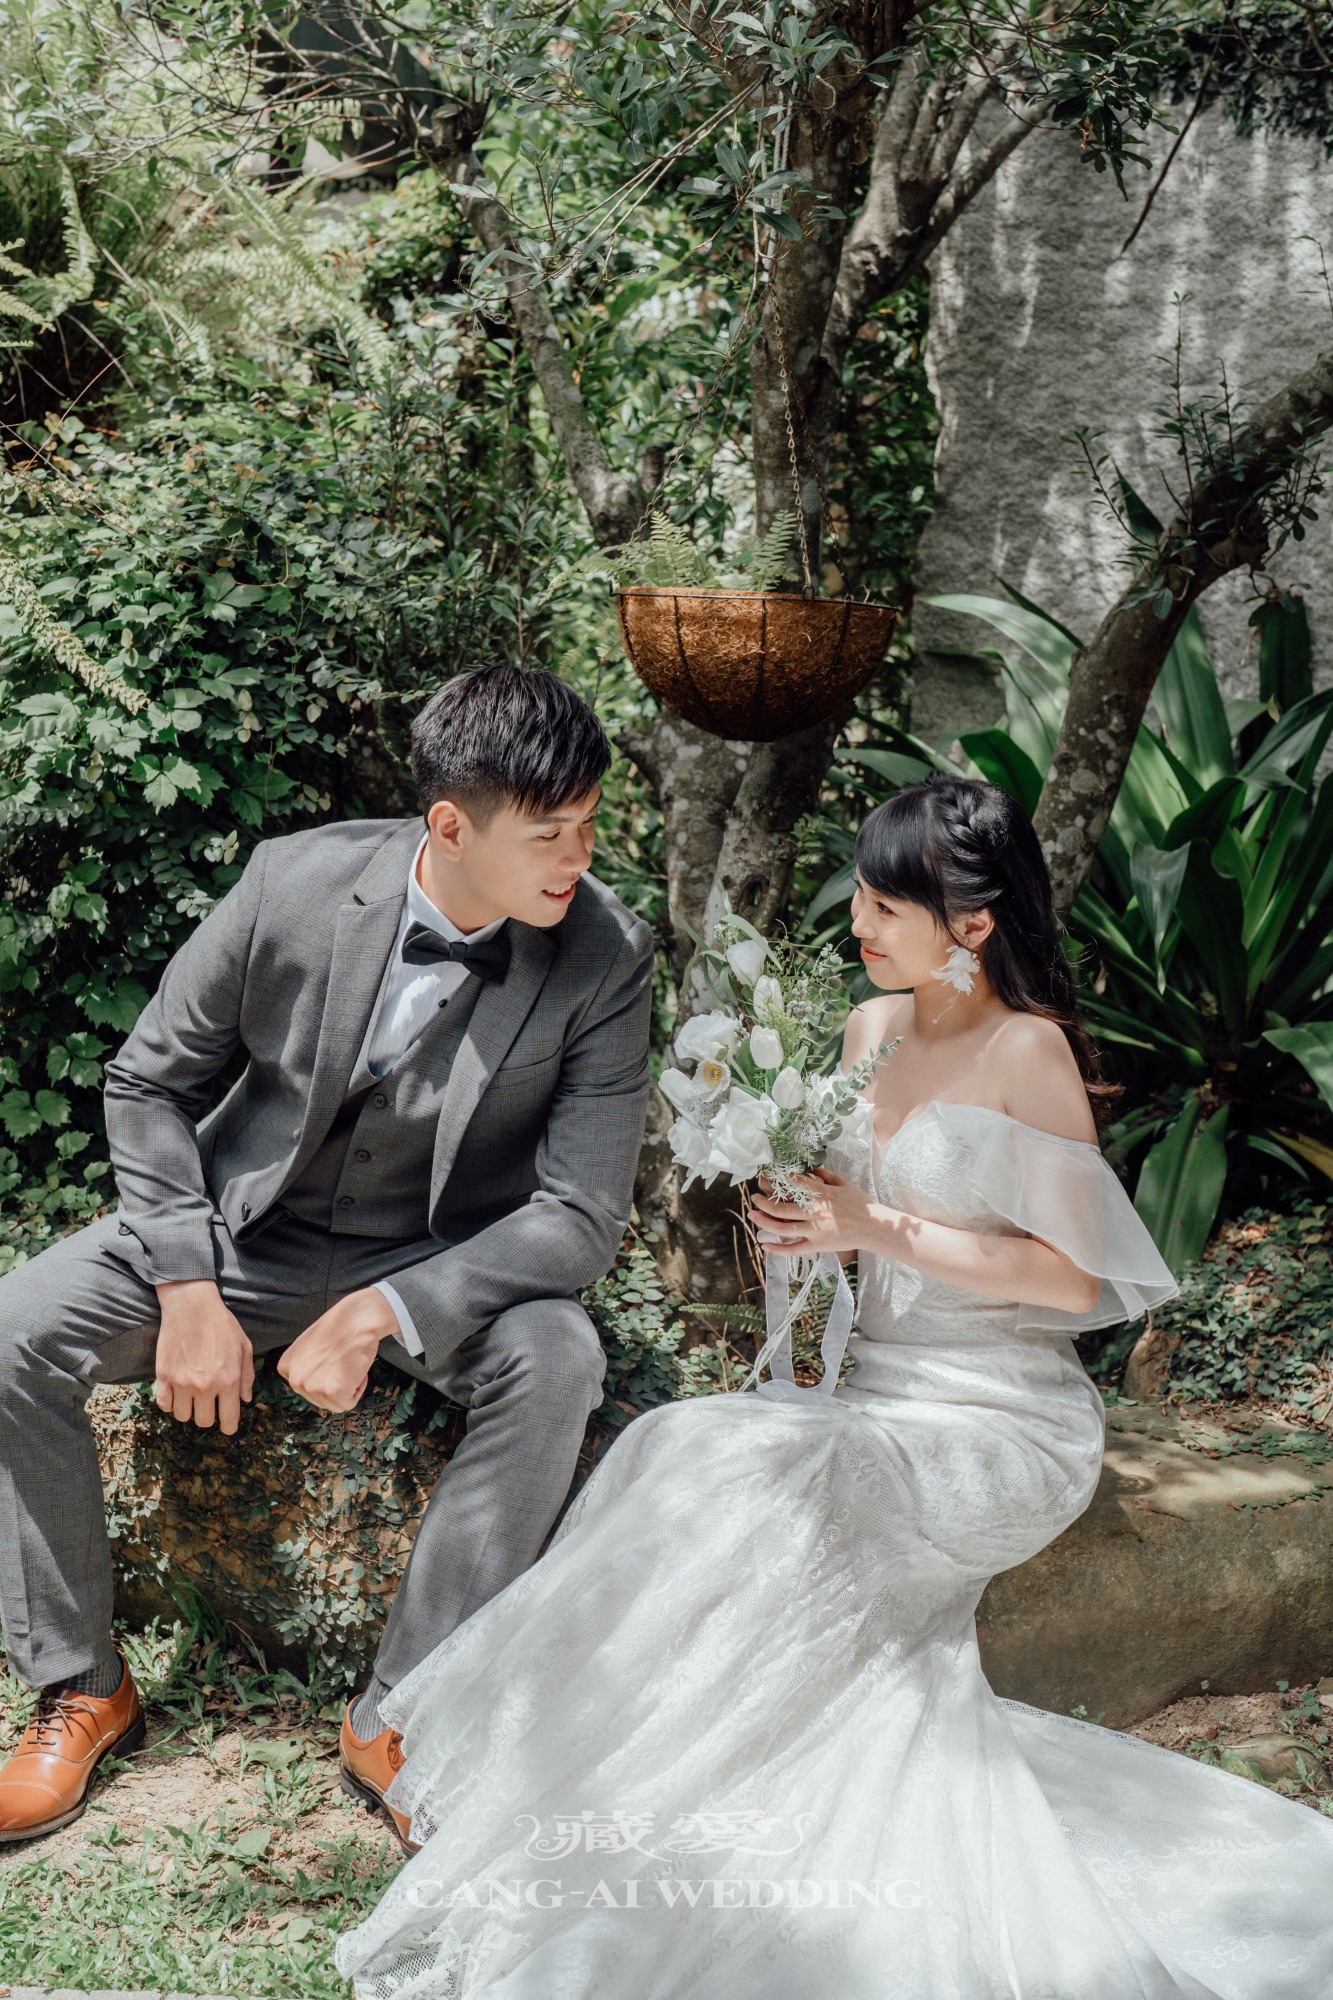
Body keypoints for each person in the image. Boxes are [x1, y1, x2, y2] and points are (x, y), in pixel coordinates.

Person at [334, 775, 1333, 1999]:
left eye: (885, 906)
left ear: (972, 922)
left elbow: (1075, 1281)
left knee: (775, 1468)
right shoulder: (869, 1031)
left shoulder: (1026, 1051)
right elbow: (846, 1235)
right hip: (871, 1390)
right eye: (858, 896)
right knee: (676, 1442)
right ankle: (556, 1766)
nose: (858, 922)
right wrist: (801, 1221)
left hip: (997, 1417)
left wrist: (880, 1224)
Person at [0, 666, 655, 1848]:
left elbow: (579, 1211)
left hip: (447, 1253)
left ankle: (402, 1710)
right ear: (450, 824)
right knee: (13, 1330)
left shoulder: (604, 953)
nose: (580, 854)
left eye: (590, 822)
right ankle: (82, 1684)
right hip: (248, 1230)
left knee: (558, 1354)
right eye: (551, 831)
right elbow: (147, 1082)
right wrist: (188, 1283)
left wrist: (384, 1307)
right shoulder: (290, 884)